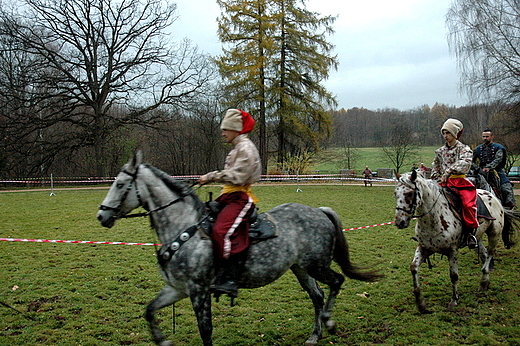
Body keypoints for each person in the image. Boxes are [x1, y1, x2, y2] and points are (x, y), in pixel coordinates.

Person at [198, 109, 261, 298]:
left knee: (220, 231)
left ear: (236, 129)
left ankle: (229, 277)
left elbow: (237, 177)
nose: (223, 133)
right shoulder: (236, 148)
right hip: (227, 197)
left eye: (226, 129)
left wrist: (211, 176)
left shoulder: (246, 148)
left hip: (239, 199)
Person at [430, 118, 478, 248]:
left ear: (455, 134)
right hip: (443, 183)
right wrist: (435, 175)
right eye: (444, 133)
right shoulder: (440, 151)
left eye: (448, 133)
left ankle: (470, 233)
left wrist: (448, 172)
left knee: (468, 204)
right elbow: (436, 165)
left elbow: (464, 163)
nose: (445, 136)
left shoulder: (464, 149)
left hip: (460, 182)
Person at [473, 129, 516, 209]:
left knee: (506, 187)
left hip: (496, 171)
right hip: (481, 172)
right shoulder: (478, 149)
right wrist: (478, 169)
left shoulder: (499, 148)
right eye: (483, 136)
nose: (485, 138)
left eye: (487, 136)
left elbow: (498, 159)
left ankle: (508, 205)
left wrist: (489, 167)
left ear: (492, 137)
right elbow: (471, 161)